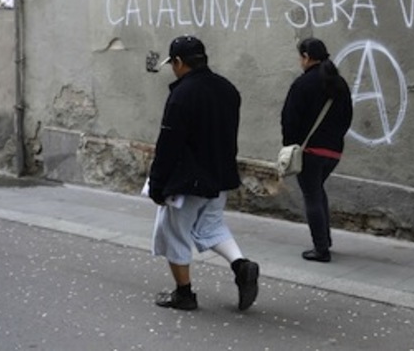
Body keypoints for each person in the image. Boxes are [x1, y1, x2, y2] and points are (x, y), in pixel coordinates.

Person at [147, 35, 260, 311]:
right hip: (219, 176)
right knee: (211, 226)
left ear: (178, 62)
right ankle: (241, 265)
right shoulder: (228, 89)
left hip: (187, 181)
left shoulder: (181, 95)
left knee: (175, 234)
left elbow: (168, 144)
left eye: (173, 64)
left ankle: (184, 294)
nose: (173, 70)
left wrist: (157, 185)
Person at [281, 37, 353, 262]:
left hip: (310, 152)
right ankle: (325, 240)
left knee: (312, 196)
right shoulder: (339, 83)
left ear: (306, 57)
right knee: (318, 192)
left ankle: (321, 249)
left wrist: (291, 145)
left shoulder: (302, 85)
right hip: (333, 152)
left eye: (300, 57)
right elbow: (347, 117)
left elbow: (289, 119)